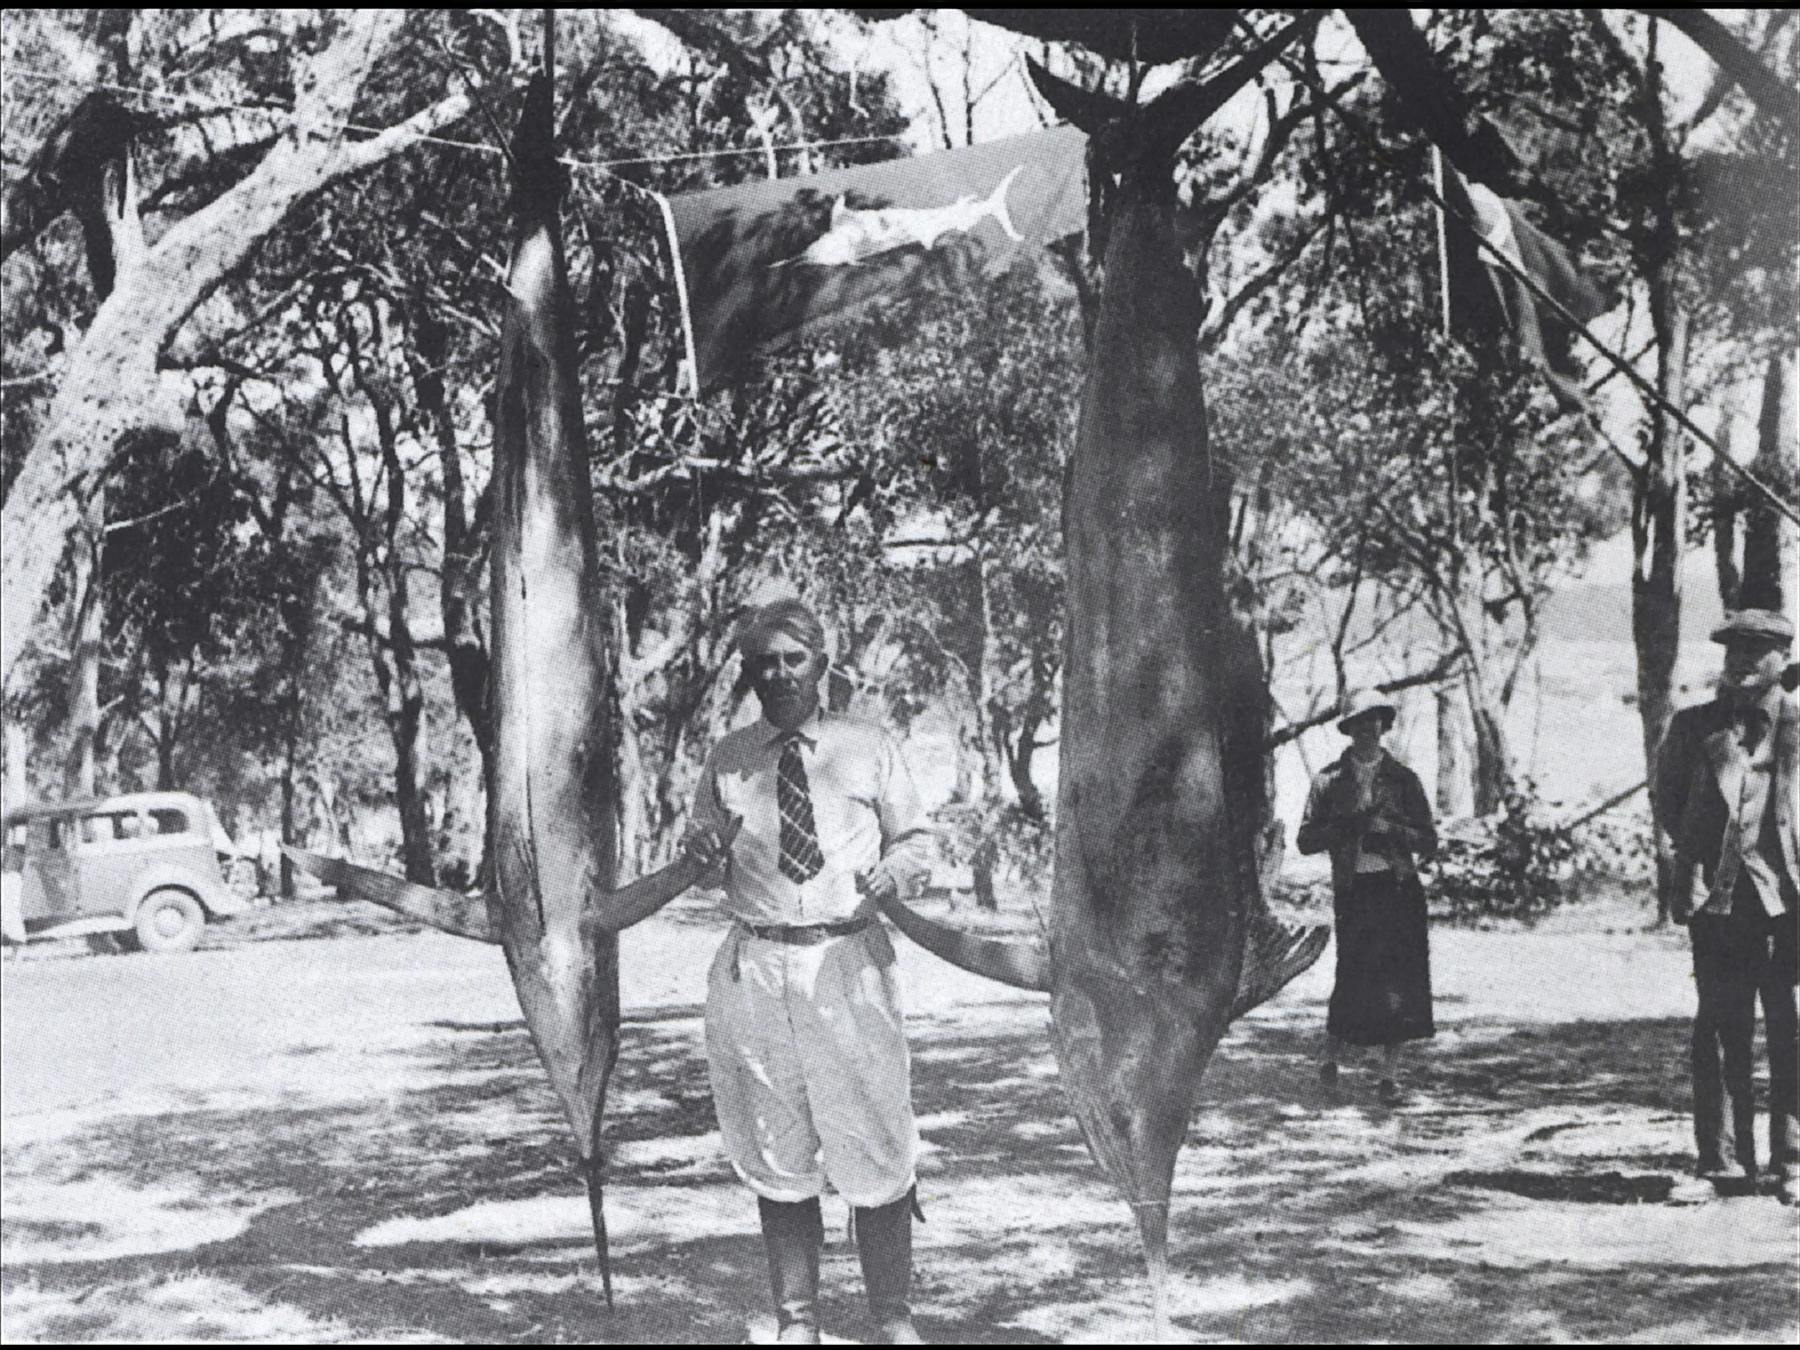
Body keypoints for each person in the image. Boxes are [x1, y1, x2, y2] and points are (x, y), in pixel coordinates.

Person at [585, 597, 935, 1344]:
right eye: (763, 663)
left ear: (822, 664)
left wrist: (894, 878)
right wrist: (701, 861)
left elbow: (916, 841)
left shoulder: (867, 745)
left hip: (847, 961)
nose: (778, 675)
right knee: (777, 1145)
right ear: (747, 674)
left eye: (792, 659)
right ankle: (796, 1322)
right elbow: (706, 862)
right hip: (757, 968)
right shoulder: (730, 757)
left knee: (874, 1135)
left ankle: (891, 1317)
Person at [1654, 607, 1798, 1207]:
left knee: (1790, 1029)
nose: (1740, 661)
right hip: (1720, 903)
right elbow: (1669, 803)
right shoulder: (1693, 729)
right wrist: (1696, 867)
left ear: (1782, 660)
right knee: (1719, 1029)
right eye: (1732, 649)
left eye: (1755, 650)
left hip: (1790, 904)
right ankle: (1723, 1163)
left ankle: (1791, 1160)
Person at [1297, 690, 1438, 1105]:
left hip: (1397, 889)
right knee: (1352, 975)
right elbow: (1306, 840)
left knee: (1400, 982)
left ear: (1384, 725)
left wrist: (1391, 831)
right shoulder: (1328, 781)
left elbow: (1429, 841)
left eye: (1374, 720)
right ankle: (1329, 1062)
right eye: (1358, 722)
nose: (1367, 728)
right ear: (1348, 728)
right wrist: (1349, 827)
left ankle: (1388, 1077)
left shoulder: (1404, 779)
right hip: (1354, 892)